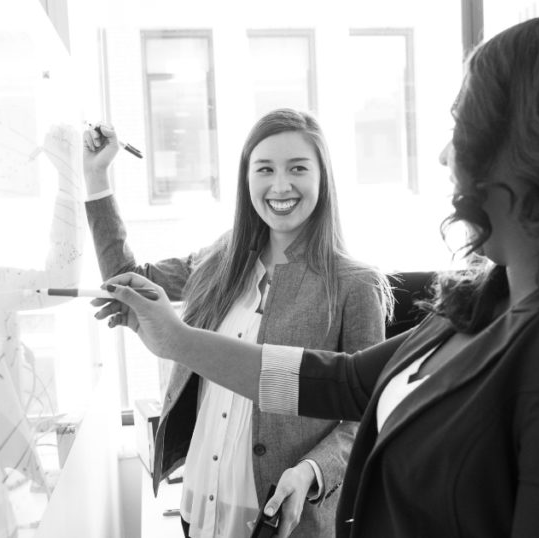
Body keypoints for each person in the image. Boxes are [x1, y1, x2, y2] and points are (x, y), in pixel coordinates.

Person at [94, 14, 539, 538]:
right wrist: (177, 341)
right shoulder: (486, 297)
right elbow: (345, 380)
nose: (447, 153)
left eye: (461, 125)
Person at [82, 108, 392, 538]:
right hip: (200, 508)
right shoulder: (221, 259)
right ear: (247, 180)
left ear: (323, 178)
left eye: (297, 168)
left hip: (279, 520)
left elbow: (366, 417)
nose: (280, 185)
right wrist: (97, 178)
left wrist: (310, 472)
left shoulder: (354, 285)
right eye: (264, 169)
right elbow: (126, 282)